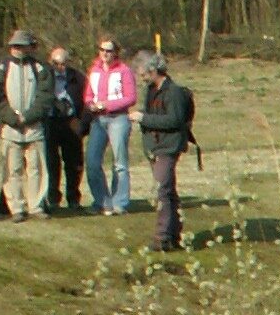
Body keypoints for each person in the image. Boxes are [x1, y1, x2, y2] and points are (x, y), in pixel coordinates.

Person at [0, 30, 56, 223]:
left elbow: (46, 96)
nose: (16, 49)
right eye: (14, 46)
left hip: (34, 127)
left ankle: (37, 205)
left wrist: (29, 116)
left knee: (37, 169)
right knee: (12, 169)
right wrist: (12, 118)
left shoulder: (40, 68)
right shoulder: (1, 68)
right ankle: (16, 207)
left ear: (29, 47)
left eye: (20, 46)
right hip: (10, 127)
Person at [133, 51, 196, 253]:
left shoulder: (174, 93)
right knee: (168, 190)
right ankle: (174, 235)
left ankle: (162, 237)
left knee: (162, 190)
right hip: (156, 147)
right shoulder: (151, 90)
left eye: (144, 74)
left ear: (154, 70)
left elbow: (174, 120)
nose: (142, 78)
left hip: (169, 147)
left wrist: (143, 118)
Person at [84, 38, 137, 216]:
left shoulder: (124, 71)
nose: (105, 53)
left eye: (108, 50)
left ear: (115, 53)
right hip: (98, 120)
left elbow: (130, 98)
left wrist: (106, 105)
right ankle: (101, 201)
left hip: (118, 119)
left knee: (119, 162)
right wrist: (91, 104)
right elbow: (89, 95)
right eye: (102, 50)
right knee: (92, 162)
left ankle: (119, 202)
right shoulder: (94, 70)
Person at [42, 46, 88, 214]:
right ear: (50, 61)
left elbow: (87, 101)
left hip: (71, 122)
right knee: (51, 162)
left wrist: (83, 124)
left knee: (74, 162)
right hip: (51, 121)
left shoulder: (78, 77)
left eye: (63, 63)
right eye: (56, 63)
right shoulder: (44, 76)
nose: (60, 67)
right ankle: (53, 198)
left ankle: (74, 199)